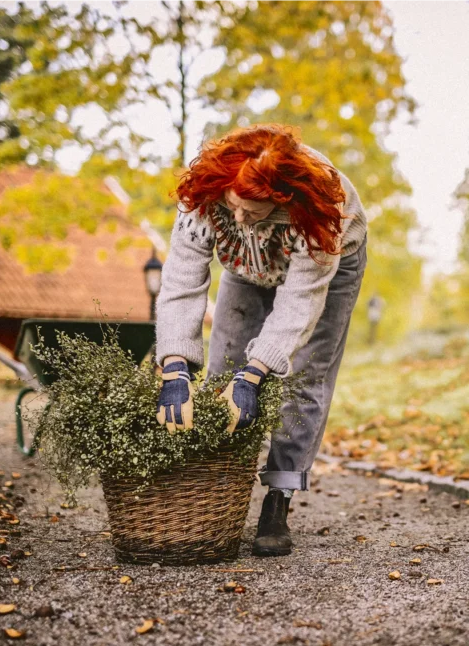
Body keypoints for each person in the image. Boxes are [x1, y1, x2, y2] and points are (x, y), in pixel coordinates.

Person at [155, 124, 367, 557]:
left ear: (278, 199)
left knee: (303, 375)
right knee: (224, 368)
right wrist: (174, 365)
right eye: (233, 207)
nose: (237, 218)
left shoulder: (326, 211)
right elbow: (180, 284)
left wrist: (256, 375)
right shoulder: (204, 196)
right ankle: (218, 494)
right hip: (245, 264)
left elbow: (299, 305)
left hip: (330, 262)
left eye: (251, 212)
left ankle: (278, 499)